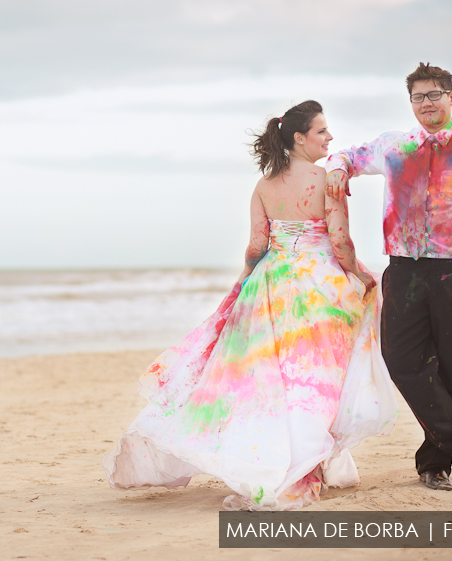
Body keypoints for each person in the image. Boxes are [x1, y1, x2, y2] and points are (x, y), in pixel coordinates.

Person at [102, 101, 398, 511]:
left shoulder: (263, 185)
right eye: (322, 131)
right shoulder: (327, 180)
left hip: (272, 285)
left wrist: (245, 278)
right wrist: (362, 277)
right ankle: (306, 463)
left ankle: (294, 459)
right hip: (319, 288)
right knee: (314, 380)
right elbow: (341, 242)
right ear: (300, 138)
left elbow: (257, 246)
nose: (330, 138)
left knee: (271, 382)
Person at [325, 62, 452, 491]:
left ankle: (435, 464)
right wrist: (337, 168)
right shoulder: (395, 147)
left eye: (434, 95)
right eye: (418, 97)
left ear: (451, 97)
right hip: (405, 268)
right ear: (410, 102)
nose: (426, 103)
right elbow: (347, 156)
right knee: (401, 358)